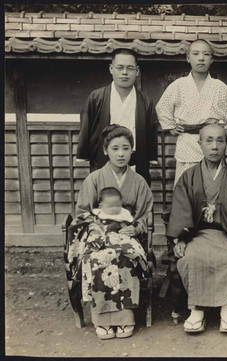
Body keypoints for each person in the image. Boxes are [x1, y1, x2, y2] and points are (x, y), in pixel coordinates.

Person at [166, 123, 227, 334]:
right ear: (200, 144)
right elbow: (181, 210)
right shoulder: (189, 176)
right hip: (198, 235)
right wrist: (181, 239)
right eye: (209, 140)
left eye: (220, 141)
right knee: (191, 258)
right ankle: (196, 310)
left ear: (226, 145)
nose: (214, 146)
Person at [68, 125, 154, 340]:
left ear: (132, 150)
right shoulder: (94, 179)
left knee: (125, 257)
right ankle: (101, 319)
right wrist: (95, 227)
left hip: (127, 235)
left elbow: (145, 216)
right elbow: (82, 214)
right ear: (106, 150)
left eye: (126, 148)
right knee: (98, 258)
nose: (121, 153)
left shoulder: (139, 182)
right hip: (97, 235)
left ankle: (125, 318)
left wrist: (135, 227)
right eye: (115, 148)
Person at [156, 39, 227, 185]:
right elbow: (162, 108)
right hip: (187, 143)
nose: (201, 58)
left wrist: (226, 131)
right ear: (188, 58)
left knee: (213, 186)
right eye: (196, 54)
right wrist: (171, 127)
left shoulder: (219, 87)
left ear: (212, 59)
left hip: (213, 144)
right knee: (186, 187)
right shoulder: (178, 85)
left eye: (206, 54)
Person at [76, 48, 158, 185]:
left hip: (135, 161)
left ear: (137, 71)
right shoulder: (96, 97)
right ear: (111, 69)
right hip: (104, 159)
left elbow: (151, 132)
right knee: (105, 200)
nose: (124, 72)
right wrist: (83, 152)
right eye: (120, 67)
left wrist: (151, 156)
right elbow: (86, 127)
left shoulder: (146, 101)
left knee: (136, 198)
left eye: (130, 68)